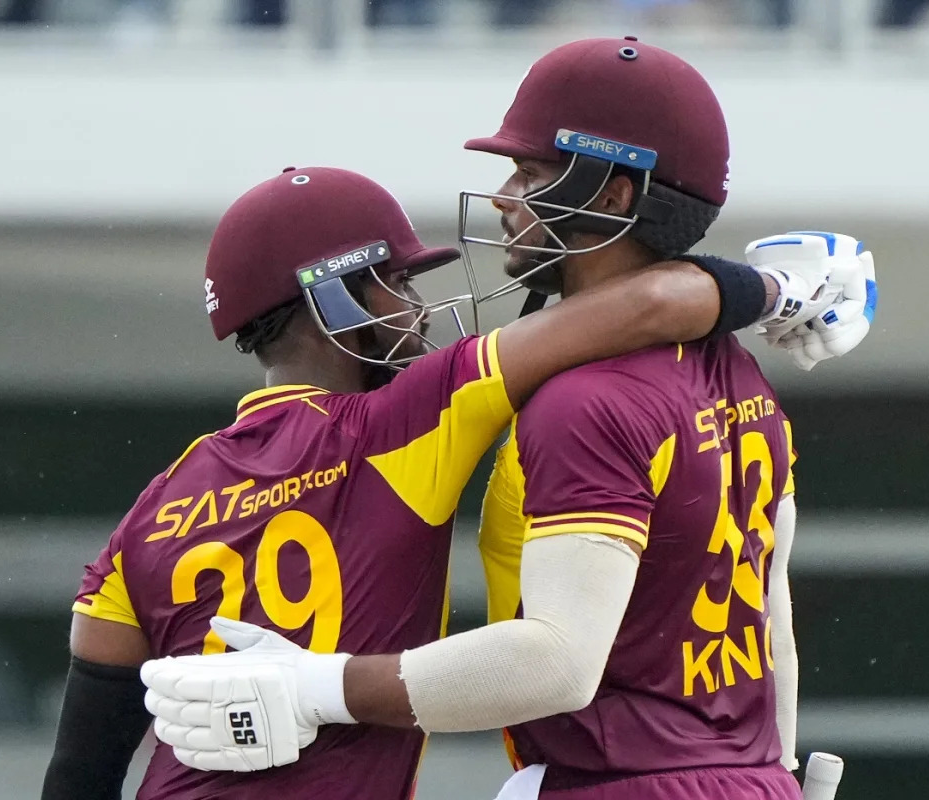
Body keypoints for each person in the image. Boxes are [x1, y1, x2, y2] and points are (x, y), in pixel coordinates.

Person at [139, 38, 877, 800]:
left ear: (613, 196)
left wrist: (316, 687)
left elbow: (557, 663)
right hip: (751, 778)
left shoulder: (585, 398)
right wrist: (777, 769)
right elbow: (769, 619)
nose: (503, 197)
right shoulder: (740, 373)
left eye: (527, 172)